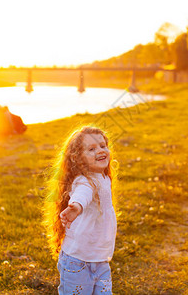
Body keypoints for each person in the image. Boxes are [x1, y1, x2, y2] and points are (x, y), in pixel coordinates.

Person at [43, 126, 118, 294]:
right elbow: (82, 194)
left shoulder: (104, 178)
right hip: (77, 262)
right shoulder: (85, 181)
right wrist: (76, 207)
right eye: (91, 149)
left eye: (102, 146)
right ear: (78, 159)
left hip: (100, 260)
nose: (100, 150)